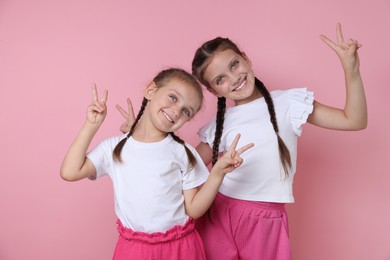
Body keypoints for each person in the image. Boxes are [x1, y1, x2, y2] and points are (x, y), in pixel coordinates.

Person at [117, 24, 367, 259]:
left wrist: (351, 70)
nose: (233, 78)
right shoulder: (220, 123)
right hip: (219, 213)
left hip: (266, 219)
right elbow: (182, 164)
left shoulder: (289, 103)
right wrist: (141, 137)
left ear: (246, 58)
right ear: (215, 92)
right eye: (220, 79)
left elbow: (353, 120)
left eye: (234, 65)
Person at [60, 68, 253, 260]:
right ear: (151, 91)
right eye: (173, 98)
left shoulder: (183, 153)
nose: (177, 111)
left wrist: (218, 173)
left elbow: (193, 209)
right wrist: (92, 125)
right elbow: (70, 172)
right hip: (134, 250)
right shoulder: (114, 147)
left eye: (186, 111)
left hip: (180, 249)